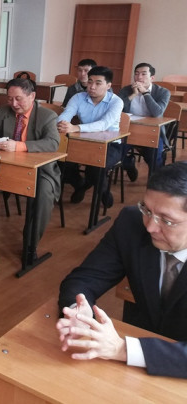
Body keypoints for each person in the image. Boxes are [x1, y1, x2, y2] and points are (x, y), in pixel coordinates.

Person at [56, 162, 187, 379]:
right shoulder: (131, 222)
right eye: (146, 210)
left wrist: (123, 350)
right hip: (131, 370)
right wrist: (79, 312)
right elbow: (85, 278)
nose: (150, 227)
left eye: (166, 220)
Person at [0, 77, 60, 246]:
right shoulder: (2, 111)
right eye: (10, 99)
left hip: (39, 170)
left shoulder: (47, 116)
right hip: (5, 166)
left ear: (32, 96)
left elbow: (53, 142)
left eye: (18, 99)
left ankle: (30, 243)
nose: (14, 104)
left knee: (44, 193)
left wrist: (19, 146)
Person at [57, 66, 123, 207]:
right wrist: (62, 123)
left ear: (108, 86)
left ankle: (104, 193)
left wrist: (76, 128)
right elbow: (66, 114)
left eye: (98, 83)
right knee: (61, 162)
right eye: (90, 82)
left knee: (95, 168)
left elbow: (104, 124)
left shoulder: (116, 101)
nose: (92, 87)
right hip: (83, 142)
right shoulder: (78, 97)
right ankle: (80, 183)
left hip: (110, 144)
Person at [118, 62, 171, 180]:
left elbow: (157, 113)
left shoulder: (163, 92)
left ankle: (156, 183)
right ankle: (129, 164)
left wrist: (146, 93)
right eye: (136, 74)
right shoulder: (126, 90)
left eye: (143, 74)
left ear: (152, 78)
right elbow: (117, 109)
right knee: (114, 153)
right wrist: (133, 94)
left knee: (154, 157)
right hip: (128, 130)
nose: (139, 77)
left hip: (152, 131)